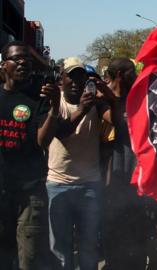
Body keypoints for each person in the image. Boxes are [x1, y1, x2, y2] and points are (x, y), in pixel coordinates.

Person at [102, 57, 157, 270]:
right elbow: (114, 120)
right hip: (122, 181)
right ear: (120, 76)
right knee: (128, 239)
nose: (136, 77)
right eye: (131, 73)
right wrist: (111, 97)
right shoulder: (104, 100)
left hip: (152, 181)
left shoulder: (147, 98)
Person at [46, 56, 118, 270]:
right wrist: (82, 110)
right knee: (60, 247)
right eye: (72, 76)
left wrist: (108, 95)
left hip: (89, 185)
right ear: (62, 78)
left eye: (82, 77)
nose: (77, 82)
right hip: (58, 184)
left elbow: (117, 121)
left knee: (88, 246)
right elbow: (60, 133)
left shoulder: (95, 103)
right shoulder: (55, 101)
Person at [0, 40, 60, 270]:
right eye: (16, 58)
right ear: (4, 64)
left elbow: (42, 141)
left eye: (27, 58)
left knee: (30, 259)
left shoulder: (39, 98)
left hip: (29, 192)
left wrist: (54, 106)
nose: (23, 62)